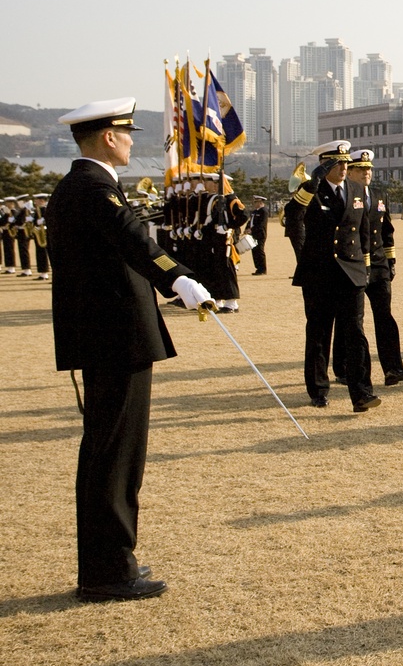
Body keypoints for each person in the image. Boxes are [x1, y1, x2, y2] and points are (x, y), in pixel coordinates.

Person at [47, 97, 214, 602]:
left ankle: (108, 562)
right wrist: (180, 278)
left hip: (105, 337)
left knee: (108, 452)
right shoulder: (94, 188)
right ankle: (109, 571)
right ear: (106, 138)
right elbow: (134, 240)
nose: (131, 140)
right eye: (126, 132)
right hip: (115, 337)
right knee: (116, 456)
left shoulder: (79, 187)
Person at [288, 140, 379, 413]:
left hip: (351, 273)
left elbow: (363, 229)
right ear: (324, 165)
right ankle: (318, 389)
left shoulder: (356, 189)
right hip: (320, 274)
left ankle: (361, 392)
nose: (343, 168)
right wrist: (309, 186)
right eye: (337, 164)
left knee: (356, 333)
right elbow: (293, 217)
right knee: (319, 333)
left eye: (345, 163)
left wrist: (365, 268)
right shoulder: (311, 192)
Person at [334, 149, 403, 386]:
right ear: (351, 172)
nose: (367, 173)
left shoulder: (379, 195)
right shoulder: (344, 196)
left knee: (384, 316)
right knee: (350, 319)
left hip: (378, 265)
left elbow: (387, 231)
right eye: (361, 169)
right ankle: (344, 368)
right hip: (354, 265)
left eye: (369, 169)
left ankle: (393, 368)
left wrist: (391, 261)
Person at [200, 173, 247, 313]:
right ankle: (219, 298)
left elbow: (244, 215)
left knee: (227, 270)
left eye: (215, 183)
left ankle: (232, 302)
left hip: (227, 240)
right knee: (218, 269)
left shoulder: (232, 200)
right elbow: (214, 220)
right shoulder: (218, 200)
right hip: (217, 240)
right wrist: (203, 231)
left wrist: (228, 226)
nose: (212, 186)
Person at [248, 195, 268, 275]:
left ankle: (262, 269)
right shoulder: (255, 211)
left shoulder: (263, 211)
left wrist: (251, 229)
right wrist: (247, 228)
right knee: (254, 251)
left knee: (259, 251)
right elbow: (251, 221)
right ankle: (258, 268)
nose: (254, 204)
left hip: (260, 234)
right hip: (253, 234)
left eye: (256, 202)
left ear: (260, 202)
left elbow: (261, 224)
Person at [32, 193, 50, 280]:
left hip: (45, 233)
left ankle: (46, 273)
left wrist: (44, 222)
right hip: (39, 232)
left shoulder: (47, 210)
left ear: (42, 201)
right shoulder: (38, 210)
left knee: (45, 253)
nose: (35, 202)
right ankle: (42, 272)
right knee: (40, 253)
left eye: (37, 200)